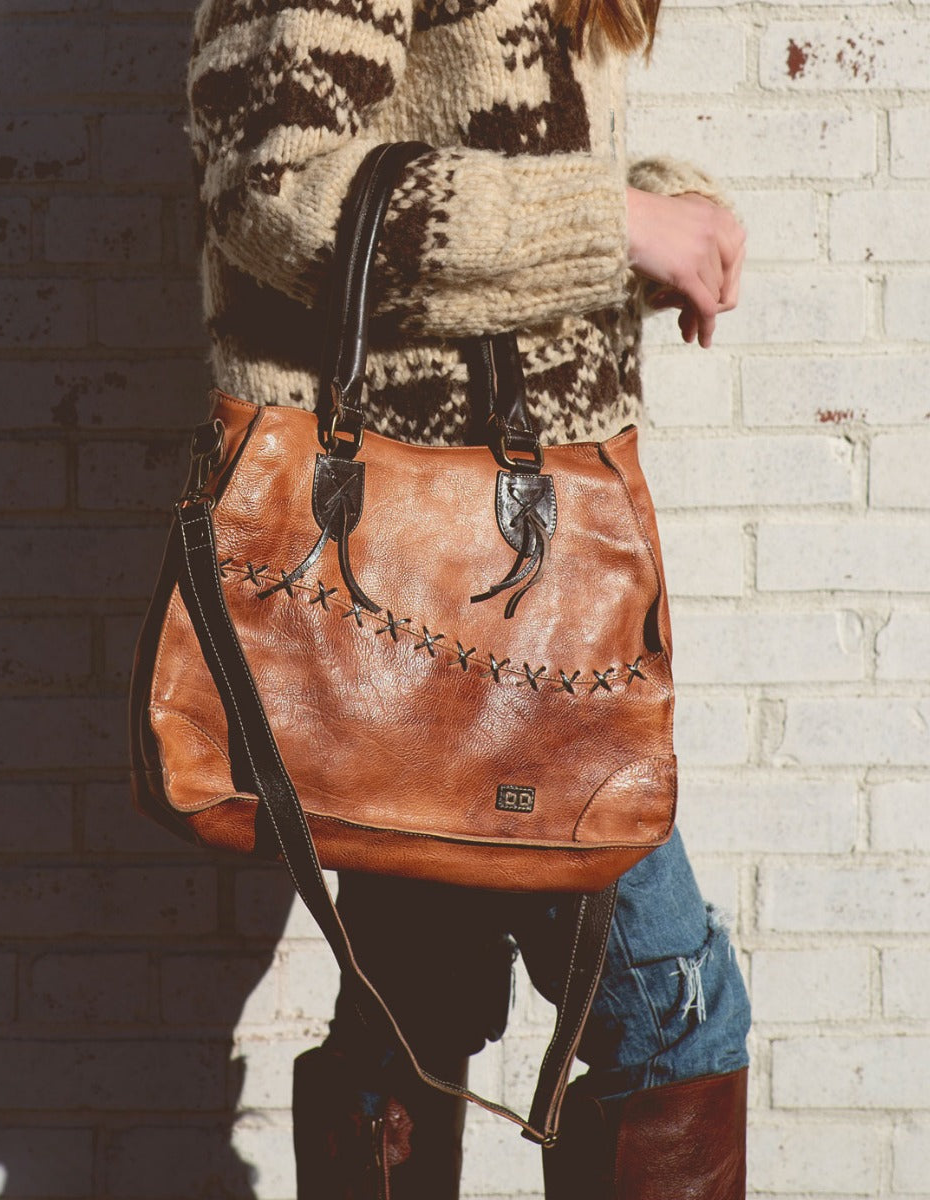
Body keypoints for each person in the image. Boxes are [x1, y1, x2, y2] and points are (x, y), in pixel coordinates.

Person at [185, 0, 751, 1194]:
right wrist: (613, 224)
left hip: (484, 592)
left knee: (413, 1021)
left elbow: (500, 156)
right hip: (431, 595)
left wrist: (659, 209)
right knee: (671, 1027)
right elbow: (270, 181)